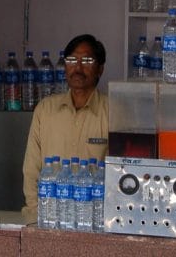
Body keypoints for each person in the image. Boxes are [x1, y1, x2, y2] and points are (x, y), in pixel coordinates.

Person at [21, 34, 109, 220]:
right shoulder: (45, 110)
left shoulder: (112, 112)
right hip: (47, 217)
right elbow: (31, 170)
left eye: (86, 60)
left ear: (100, 69)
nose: (78, 67)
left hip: (94, 219)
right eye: (71, 60)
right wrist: (38, 215)